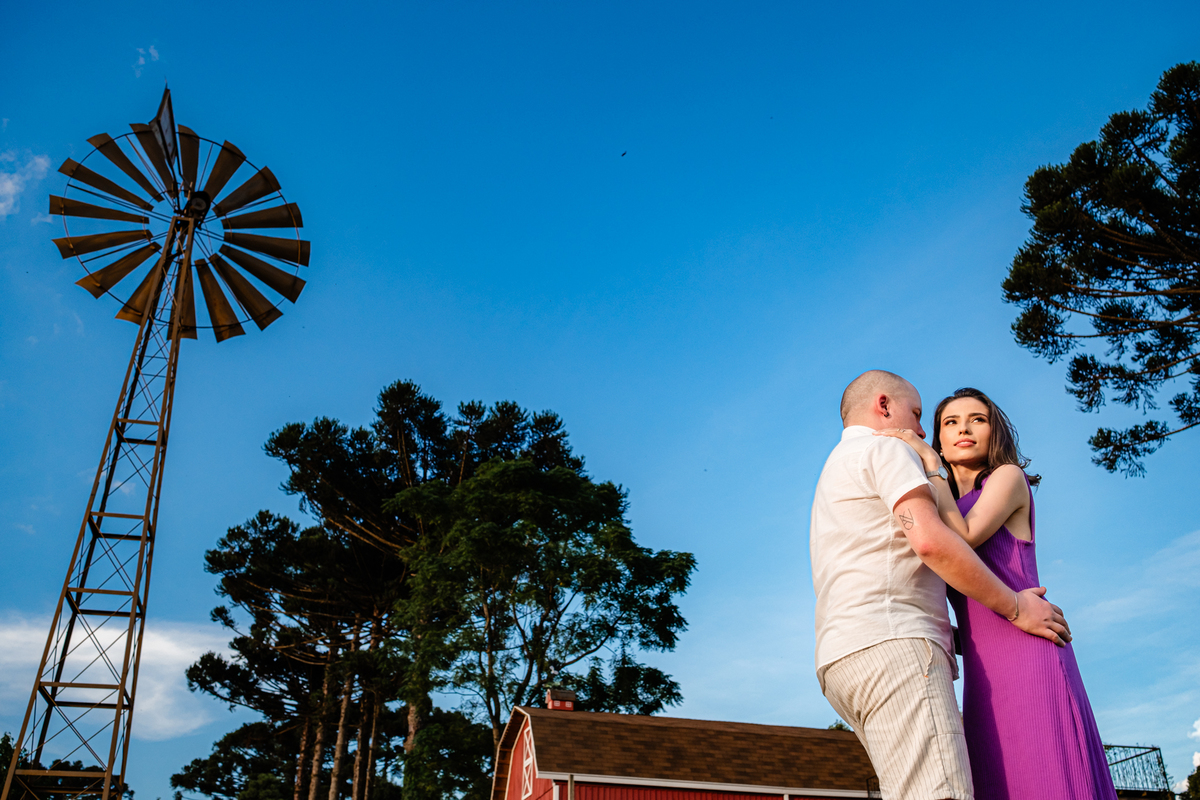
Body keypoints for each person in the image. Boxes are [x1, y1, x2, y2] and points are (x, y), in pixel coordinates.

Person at [810, 370, 1069, 800]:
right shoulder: (886, 449)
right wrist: (1016, 608)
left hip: (841, 659)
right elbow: (932, 542)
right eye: (917, 415)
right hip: (896, 648)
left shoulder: (835, 471)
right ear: (883, 406)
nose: (918, 430)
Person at [875, 387, 1117, 800]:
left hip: (1030, 651)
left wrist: (930, 462)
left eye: (977, 420)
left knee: (1047, 777)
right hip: (983, 676)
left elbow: (964, 536)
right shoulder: (934, 507)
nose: (963, 429)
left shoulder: (1007, 478)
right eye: (950, 423)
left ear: (994, 431)